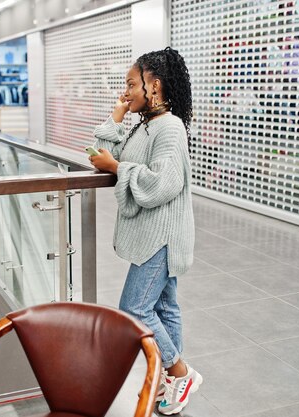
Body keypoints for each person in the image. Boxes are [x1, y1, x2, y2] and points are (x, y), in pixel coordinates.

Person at [89, 47, 201, 415]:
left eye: (131, 84)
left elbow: (162, 184)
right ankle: (170, 385)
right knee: (165, 306)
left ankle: (179, 372)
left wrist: (120, 168)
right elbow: (99, 154)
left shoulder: (168, 128)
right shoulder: (144, 124)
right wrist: (117, 117)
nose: (126, 91)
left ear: (154, 86)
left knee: (135, 309)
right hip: (153, 233)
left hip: (161, 236)